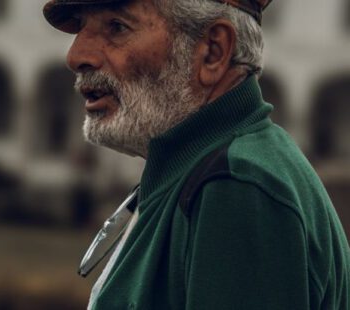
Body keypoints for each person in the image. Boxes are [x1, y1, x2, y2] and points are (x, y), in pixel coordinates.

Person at [42, 0, 350, 308]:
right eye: (82, 26)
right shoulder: (201, 168)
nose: (76, 55)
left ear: (213, 51)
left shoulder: (237, 186)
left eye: (116, 27)